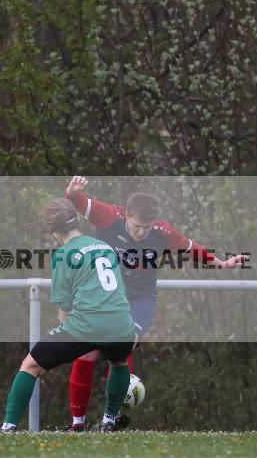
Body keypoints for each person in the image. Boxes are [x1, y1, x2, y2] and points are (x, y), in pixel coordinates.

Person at [62, 176, 247, 432]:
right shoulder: (109, 216)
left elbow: (192, 249)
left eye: (145, 228)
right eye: (136, 226)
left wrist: (222, 264)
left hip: (141, 299)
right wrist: (71, 192)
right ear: (126, 215)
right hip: (106, 297)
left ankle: (109, 420)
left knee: (123, 343)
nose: (141, 232)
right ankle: (77, 425)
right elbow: (76, 202)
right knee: (85, 353)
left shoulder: (163, 232)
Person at [0, 198, 136, 433]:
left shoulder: (64, 255)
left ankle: (9, 426)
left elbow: (64, 306)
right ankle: (109, 421)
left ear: (52, 230)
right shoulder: (103, 246)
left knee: (30, 366)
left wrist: (68, 339)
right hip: (122, 325)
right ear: (78, 220)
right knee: (120, 361)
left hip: (86, 326)